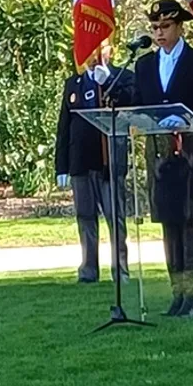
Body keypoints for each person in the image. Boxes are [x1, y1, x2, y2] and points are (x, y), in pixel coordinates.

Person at [133, 0, 193, 317]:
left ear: (180, 27)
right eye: (154, 27)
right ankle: (175, 293)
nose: (159, 33)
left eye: (165, 27)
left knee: (191, 225)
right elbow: (139, 105)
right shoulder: (143, 65)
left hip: (192, 156)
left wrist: (187, 121)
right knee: (169, 226)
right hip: (159, 157)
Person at [54, 39, 135, 284]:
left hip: (109, 159)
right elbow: (64, 128)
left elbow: (131, 101)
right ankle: (89, 270)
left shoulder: (123, 77)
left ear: (111, 51)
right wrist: (62, 166)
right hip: (81, 160)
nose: (94, 54)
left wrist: (107, 81)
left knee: (115, 216)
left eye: (102, 47)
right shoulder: (73, 83)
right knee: (85, 216)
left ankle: (120, 270)